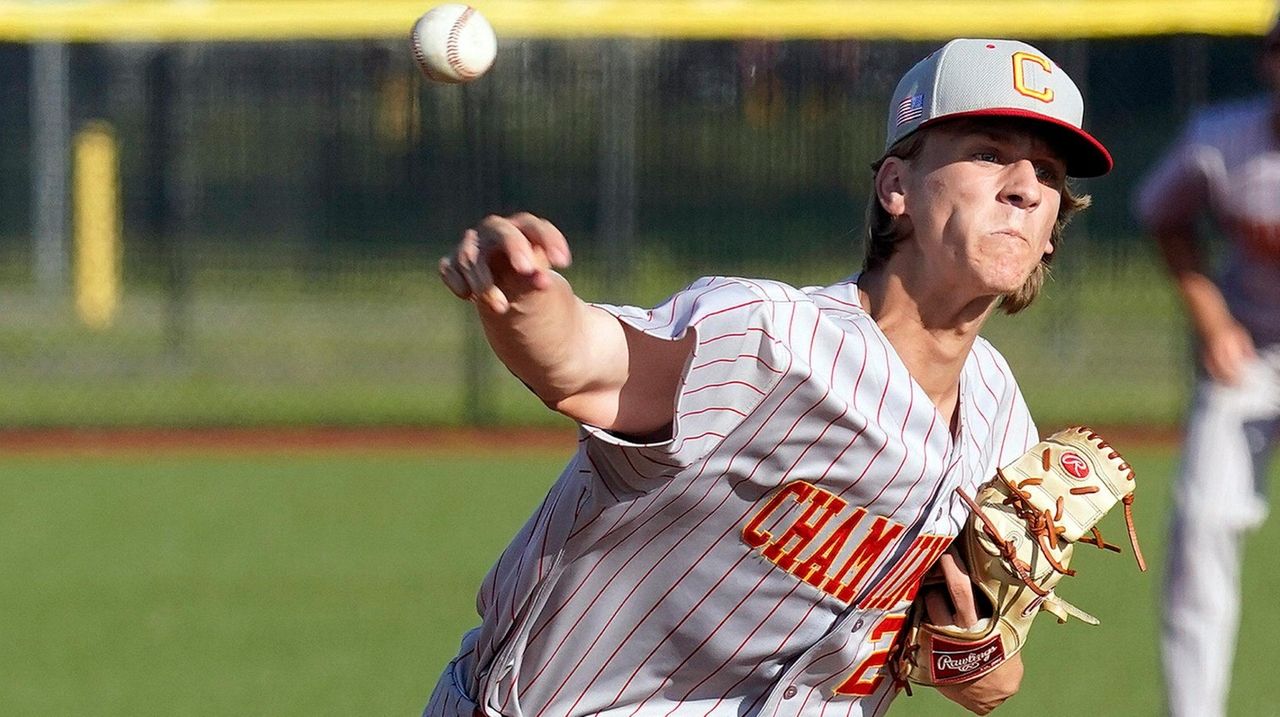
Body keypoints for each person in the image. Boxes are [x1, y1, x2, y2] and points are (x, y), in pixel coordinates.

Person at [428, 38, 1110, 717]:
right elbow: (584, 364)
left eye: (1048, 173)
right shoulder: (772, 342)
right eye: (989, 152)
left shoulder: (999, 424)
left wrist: (971, 649)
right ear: (896, 187)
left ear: (1053, 229)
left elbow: (991, 684)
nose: (1023, 187)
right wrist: (522, 293)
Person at [1134, 21, 1280, 717]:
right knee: (1201, 525)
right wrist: (1213, 318)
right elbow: (1163, 215)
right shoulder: (1221, 137)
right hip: (1249, 354)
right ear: (1267, 62)